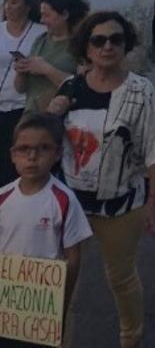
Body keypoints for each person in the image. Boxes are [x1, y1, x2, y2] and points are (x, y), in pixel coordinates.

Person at [47, 11, 155, 348]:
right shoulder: (71, 87)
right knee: (64, 280)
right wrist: (52, 113)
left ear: (126, 44)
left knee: (121, 278)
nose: (107, 46)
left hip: (122, 204)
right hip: (71, 205)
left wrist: (154, 203)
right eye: (98, 40)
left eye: (115, 39)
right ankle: (57, 340)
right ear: (86, 47)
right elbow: (45, 142)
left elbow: (154, 150)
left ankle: (131, 339)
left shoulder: (141, 91)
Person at [2, 113, 93, 347]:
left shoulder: (63, 200)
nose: (32, 156)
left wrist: (62, 302)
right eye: (24, 149)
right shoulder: (3, 197)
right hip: (7, 303)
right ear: (13, 155)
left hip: (44, 306)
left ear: (57, 154)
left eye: (43, 148)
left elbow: (73, 258)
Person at [13, 0, 89, 113]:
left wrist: (46, 69)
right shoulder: (41, 40)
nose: (42, 20)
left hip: (60, 119)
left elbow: (82, 88)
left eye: (47, 15)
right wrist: (21, 71)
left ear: (65, 14)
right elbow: (20, 89)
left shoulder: (81, 45)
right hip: (31, 116)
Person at [1, 0, 46, 186]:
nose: (8, 7)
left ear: (28, 6)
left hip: (25, 107)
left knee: (17, 162)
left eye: (14, 2)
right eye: (6, 2)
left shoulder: (41, 33)